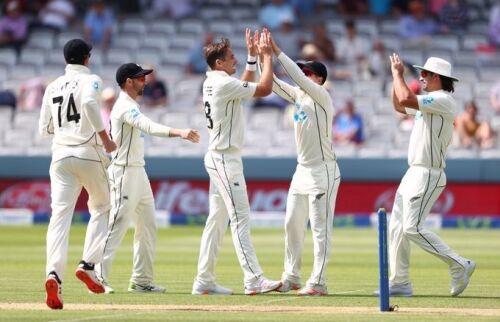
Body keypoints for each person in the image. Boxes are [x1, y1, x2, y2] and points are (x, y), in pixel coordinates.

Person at [94, 63, 200, 294]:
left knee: (148, 226)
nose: (145, 81)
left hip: (138, 172)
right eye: (140, 78)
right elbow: (148, 126)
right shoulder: (123, 105)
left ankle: (141, 280)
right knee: (117, 225)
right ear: (128, 82)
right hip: (123, 171)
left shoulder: (131, 105)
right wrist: (180, 132)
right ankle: (97, 279)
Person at [192, 29, 281, 296]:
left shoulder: (215, 81)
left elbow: (243, 87)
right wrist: (267, 57)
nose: (236, 60)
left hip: (221, 156)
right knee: (240, 218)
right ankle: (254, 280)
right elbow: (264, 89)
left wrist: (253, 58)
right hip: (224, 159)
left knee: (217, 221)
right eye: (232, 57)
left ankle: (203, 280)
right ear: (219, 63)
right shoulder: (221, 83)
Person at [382, 54, 475, 297]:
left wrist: (398, 75)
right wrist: (396, 78)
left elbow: (405, 97)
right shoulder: (429, 101)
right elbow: (399, 105)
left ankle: (459, 264)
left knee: (412, 227)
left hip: (429, 173)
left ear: (437, 77)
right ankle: (400, 282)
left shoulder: (443, 99)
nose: (421, 77)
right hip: (413, 172)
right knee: (397, 229)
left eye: (425, 73)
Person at [38, 38, 117, 310]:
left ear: (64, 60)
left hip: (60, 156)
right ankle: (88, 264)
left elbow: (43, 129)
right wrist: (105, 139)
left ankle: (53, 275)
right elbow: (91, 106)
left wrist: (64, 130)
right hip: (88, 153)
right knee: (103, 206)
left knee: (58, 218)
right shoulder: (92, 80)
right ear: (87, 58)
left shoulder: (52, 86)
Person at [265, 33, 341, 296]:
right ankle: (291, 277)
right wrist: (261, 57)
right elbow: (272, 84)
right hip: (302, 170)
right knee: (291, 224)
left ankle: (318, 282)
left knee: (320, 229)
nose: (303, 75)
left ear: (318, 79)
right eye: (303, 72)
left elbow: (294, 76)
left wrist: (276, 50)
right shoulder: (299, 96)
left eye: (308, 72)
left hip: (323, 170)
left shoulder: (321, 96)